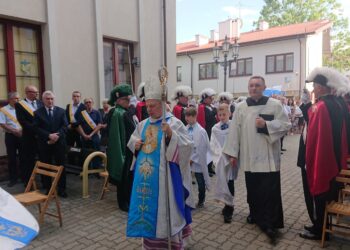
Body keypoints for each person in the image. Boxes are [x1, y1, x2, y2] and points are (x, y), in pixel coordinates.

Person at [127, 76, 194, 249]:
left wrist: (171, 135)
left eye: (153, 106)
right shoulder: (142, 125)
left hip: (167, 182)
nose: (148, 109)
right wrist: (135, 145)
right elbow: (132, 141)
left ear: (162, 104)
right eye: (147, 106)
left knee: (166, 211)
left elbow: (187, 148)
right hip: (146, 180)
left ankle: (171, 242)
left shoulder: (174, 123)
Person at [223, 76, 291, 243]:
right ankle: (255, 215)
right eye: (251, 85)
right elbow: (234, 132)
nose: (254, 88)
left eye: (257, 85)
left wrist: (267, 126)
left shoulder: (274, 105)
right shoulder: (241, 107)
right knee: (253, 190)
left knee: (269, 192)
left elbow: (285, 125)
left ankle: (270, 223)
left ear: (264, 87)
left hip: (268, 159)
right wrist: (233, 154)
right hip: (249, 157)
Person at [300, 67, 350, 240]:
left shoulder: (320, 106)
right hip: (336, 158)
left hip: (322, 159)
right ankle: (322, 225)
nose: (314, 89)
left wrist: (310, 160)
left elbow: (315, 137)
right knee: (328, 194)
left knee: (319, 194)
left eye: (315, 85)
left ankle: (319, 228)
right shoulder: (339, 102)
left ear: (322, 87)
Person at [106, 84, 135, 212]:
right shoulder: (118, 113)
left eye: (129, 99)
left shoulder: (123, 112)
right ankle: (123, 203)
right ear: (118, 100)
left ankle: (127, 200)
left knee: (128, 179)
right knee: (124, 179)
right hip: (123, 151)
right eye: (126, 100)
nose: (128, 102)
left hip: (129, 149)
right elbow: (129, 132)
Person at [33, 91, 68, 197]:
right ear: (43, 100)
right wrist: (49, 135)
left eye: (52, 99)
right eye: (47, 99)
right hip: (45, 144)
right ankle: (49, 189)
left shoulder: (61, 111)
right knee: (46, 167)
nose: (50, 101)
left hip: (59, 144)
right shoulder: (37, 113)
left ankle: (62, 189)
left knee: (61, 166)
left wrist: (57, 135)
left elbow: (65, 126)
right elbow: (36, 128)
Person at [211, 103, 237, 223]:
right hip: (221, 159)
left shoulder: (234, 126)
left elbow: (236, 141)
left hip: (231, 158)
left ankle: (229, 207)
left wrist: (233, 155)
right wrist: (218, 157)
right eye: (220, 115)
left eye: (224, 114)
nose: (222, 117)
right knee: (222, 181)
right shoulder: (215, 128)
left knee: (230, 182)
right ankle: (226, 205)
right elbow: (214, 144)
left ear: (229, 114)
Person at [15, 85, 43, 185]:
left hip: (41, 137)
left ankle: (45, 183)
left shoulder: (40, 103)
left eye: (37, 92)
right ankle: (29, 183)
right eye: (34, 92)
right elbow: (22, 121)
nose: (37, 94)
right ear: (27, 93)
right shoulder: (20, 105)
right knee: (29, 161)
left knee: (43, 159)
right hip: (29, 137)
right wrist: (36, 130)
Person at [185, 107, 211, 208]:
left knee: (200, 181)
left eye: (189, 116)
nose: (187, 118)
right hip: (187, 160)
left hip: (198, 160)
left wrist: (193, 159)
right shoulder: (185, 128)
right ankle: (187, 199)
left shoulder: (201, 131)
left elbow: (202, 147)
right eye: (186, 116)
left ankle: (201, 199)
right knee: (187, 180)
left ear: (195, 116)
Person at [0, 92, 22, 187]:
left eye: (18, 98)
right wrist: (14, 131)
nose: (17, 100)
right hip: (10, 136)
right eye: (15, 98)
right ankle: (13, 179)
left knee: (23, 157)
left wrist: (21, 131)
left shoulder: (21, 108)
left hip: (22, 135)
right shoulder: (3, 110)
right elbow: (2, 123)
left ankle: (24, 177)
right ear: (9, 100)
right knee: (12, 158)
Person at [197, 88, 217, 176]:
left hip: (212, 131)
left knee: (211, 149)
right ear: (205, 98)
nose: (211, 99)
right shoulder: (202, 107)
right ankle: (206, 169)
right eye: (210, 98)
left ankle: (210, 167)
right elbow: (207, 118)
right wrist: (214, 111)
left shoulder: (210, 106)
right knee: (207, 151)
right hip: (207, 131)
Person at [77, 97, 102, 165]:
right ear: (84, 104)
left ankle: (96, 171)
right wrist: (84, 135)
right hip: (84, 137)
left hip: (94, 137)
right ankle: (86, 172)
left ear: (92, 103)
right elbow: (78, 125)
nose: (88, 104)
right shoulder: (81, 113)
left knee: (96, 154)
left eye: (89, 102)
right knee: (85, 155)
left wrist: (91, 135)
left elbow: (99, 125)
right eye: (86, 102)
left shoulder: (97, 112)